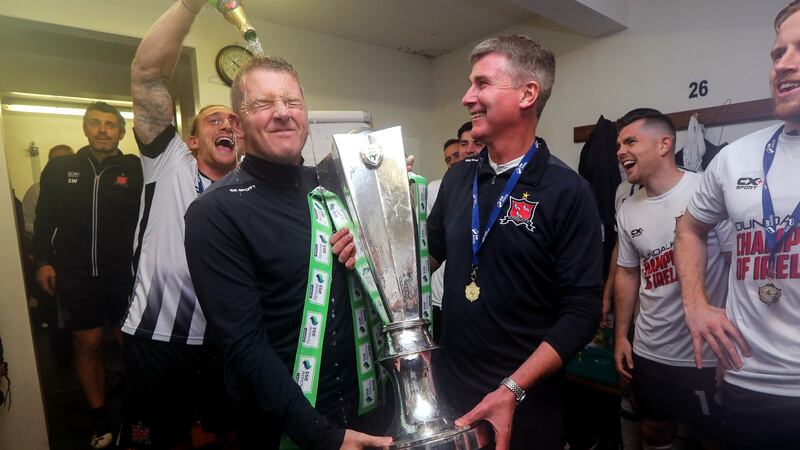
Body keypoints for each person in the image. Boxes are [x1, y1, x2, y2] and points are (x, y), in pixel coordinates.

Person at [183, 24, 392, 449]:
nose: (282, 112)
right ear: (238, 125)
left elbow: (388, 283)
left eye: (291, 101)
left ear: (306, 118)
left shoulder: (334, 189)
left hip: (372, 409)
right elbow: (244, 346)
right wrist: (323, 437)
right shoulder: (215, 212)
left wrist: (370, 242)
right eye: (263, 103)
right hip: (290, 428)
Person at [427, 35, 603, 450]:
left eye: (482, 84)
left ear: (528, 94)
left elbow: (582, 311)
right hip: (451, 397)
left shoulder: (568, 191)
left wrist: (512, 389)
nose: (468, 97)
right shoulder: (458, 179)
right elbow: (426, 257)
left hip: (524, 406)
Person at [674, 2, 800, 448]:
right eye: (777, 53)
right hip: (748, 382)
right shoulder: (736, 157)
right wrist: (695, 303)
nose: (783, 65)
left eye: (799, 50)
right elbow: (689, 228)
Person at [118, 1, 241, 448]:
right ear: (192, 139)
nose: (228, 123)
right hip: (156, 335)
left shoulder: (251, 187)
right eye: (214, 119)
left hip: (224, 342)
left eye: (234, 121)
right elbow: (147, 75)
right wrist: (191, 5)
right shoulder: (168, 160)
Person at [614, 108, 731, 450]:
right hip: (651, 350)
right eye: (618, 143)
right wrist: (622, 335)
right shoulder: (628, 207)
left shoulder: (706, 191)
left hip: (706, 351)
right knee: (654, 430)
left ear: (664, 144)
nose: (620, 151)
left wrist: (731, 346)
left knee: (713, 437)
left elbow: (734, 263)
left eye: (630, 141)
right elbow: (627, 272)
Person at [34, 101, 143, 449]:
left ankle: (136, 413)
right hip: (77, 275)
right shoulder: (60, 168)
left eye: (110, 124)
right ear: (85, 128)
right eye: (95, 123)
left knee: (133, 346)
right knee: (88, 344)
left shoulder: (134, 169)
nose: (102, 130)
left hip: (123, 274)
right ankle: (99, 419)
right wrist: (43, 262)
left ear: (121, 132)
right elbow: (44, 219)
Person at [22, 144, 74, 236]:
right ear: (50, 163)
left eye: (67, 159)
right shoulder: (36, 191)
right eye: (57, 161)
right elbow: (26, 222)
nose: (62, 164)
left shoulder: (84, 187)